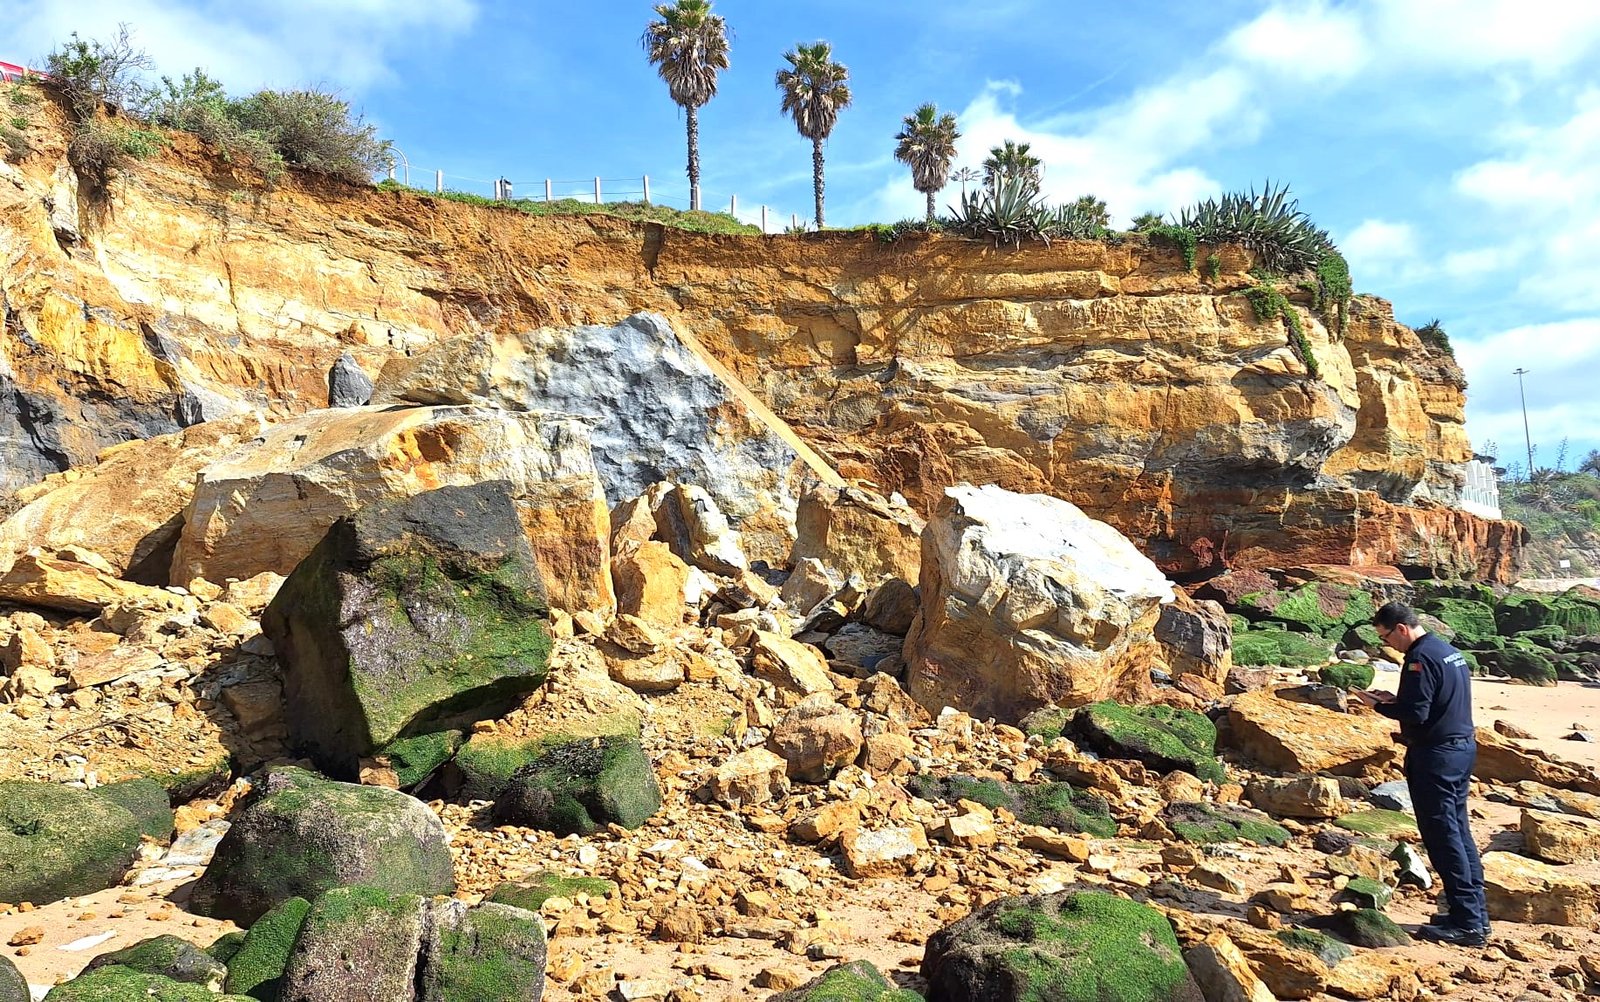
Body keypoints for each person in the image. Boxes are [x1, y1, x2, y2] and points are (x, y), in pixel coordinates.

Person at [1352, 601, 1489, 946]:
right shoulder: (1447, 651)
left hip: (1437, 756)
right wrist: (1392, 699)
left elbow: (1417, 712)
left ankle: (1469, 923)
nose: (1387, 645)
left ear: (1401, 628)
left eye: (1386, 637)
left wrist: (1378, 705)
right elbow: (1434, 701)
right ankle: (1472, 914)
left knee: (1444, 837)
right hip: (1460, 749)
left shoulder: (1419, 658)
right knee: (1458, 831)